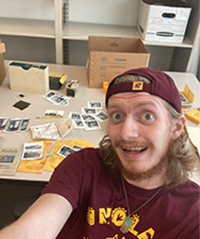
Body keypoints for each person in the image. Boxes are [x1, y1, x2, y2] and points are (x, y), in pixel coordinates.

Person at [0, 67, 199, 239]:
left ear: (176, 127)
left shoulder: (192, 212)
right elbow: (31, 231)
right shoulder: (83, 167)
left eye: (147, 115)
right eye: (117, 116)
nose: (126, 133)